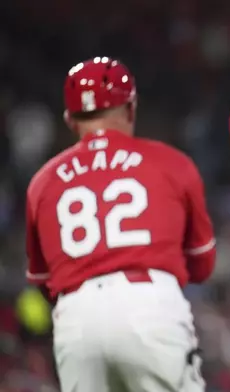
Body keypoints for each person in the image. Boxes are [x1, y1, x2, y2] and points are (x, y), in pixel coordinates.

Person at [25, 57, 215, 392]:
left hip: (76, 319)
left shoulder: (42, 183)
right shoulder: (171, 163)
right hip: (148, 304)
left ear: (70, 120)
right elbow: (201, 264)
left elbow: (42, 282)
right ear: (131, 107)